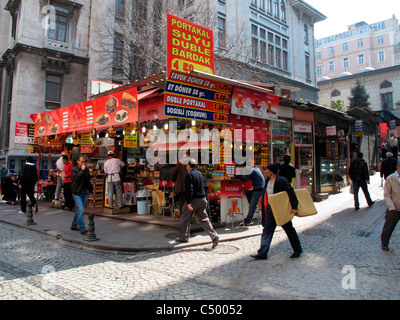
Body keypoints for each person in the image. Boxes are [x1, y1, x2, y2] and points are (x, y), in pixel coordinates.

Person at [251, 163, 302, 260]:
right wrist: (261, 201)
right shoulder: (268, 181)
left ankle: (297, 249)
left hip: (280, 209)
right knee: (267, 231)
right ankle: (262, 253)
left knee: (289, 229)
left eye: (267, 169)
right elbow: (266, 193)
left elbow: (291, 193)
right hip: (270, 209)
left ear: (272, 171)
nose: (265, 171)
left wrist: (294, 207)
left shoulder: (281, 181)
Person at [175, 158, 219, 248]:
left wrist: (188, 202)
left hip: (194, 200)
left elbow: (189, 190)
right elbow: (206, 187)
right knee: (204, 219)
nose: (186, 167)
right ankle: (214, 236)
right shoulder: (200, 174)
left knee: (185, 218)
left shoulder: (189, 175)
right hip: (202, 199)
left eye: (186, 165)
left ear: (189, 166)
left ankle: (184, 237)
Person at [238, 158, 265, 226]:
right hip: (261, 189)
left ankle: (247, 222)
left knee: (251, 207)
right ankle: (254, 205)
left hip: (258, 190)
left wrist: (238, 175)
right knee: (248, 192)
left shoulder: (251, 170)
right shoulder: (256, 168)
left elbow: (245, 179)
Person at [70, 156, 93, 234]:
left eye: (84, 162)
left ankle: (74, 225)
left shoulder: (86, 169)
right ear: (78, 161)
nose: (83, 163)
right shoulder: (73, 170)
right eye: (82, 161)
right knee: (81, 210)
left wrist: (90, 189)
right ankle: (82, 228)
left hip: (84, 191)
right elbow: (76, 179)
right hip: (77, 192)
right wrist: (82, 171)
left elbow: (88, 179)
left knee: (79, 209)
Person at [381, 160, 400, 251]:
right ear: (397, 167)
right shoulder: (391, 178)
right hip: (394, 207)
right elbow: (387, 194)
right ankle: (384, 242)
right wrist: (391, 206)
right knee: (389, 227)